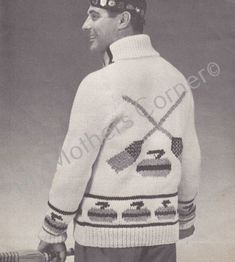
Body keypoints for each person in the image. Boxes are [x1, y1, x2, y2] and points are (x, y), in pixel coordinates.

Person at [37, 0, 201, 261]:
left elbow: (74, 165)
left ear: (123, 20)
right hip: (162, 238)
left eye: (94, 15)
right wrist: (184, 217)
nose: (85, 24)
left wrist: (54, 230)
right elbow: (188, 157)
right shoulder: (177, 79)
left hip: (104, 238)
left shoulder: (98, 84)